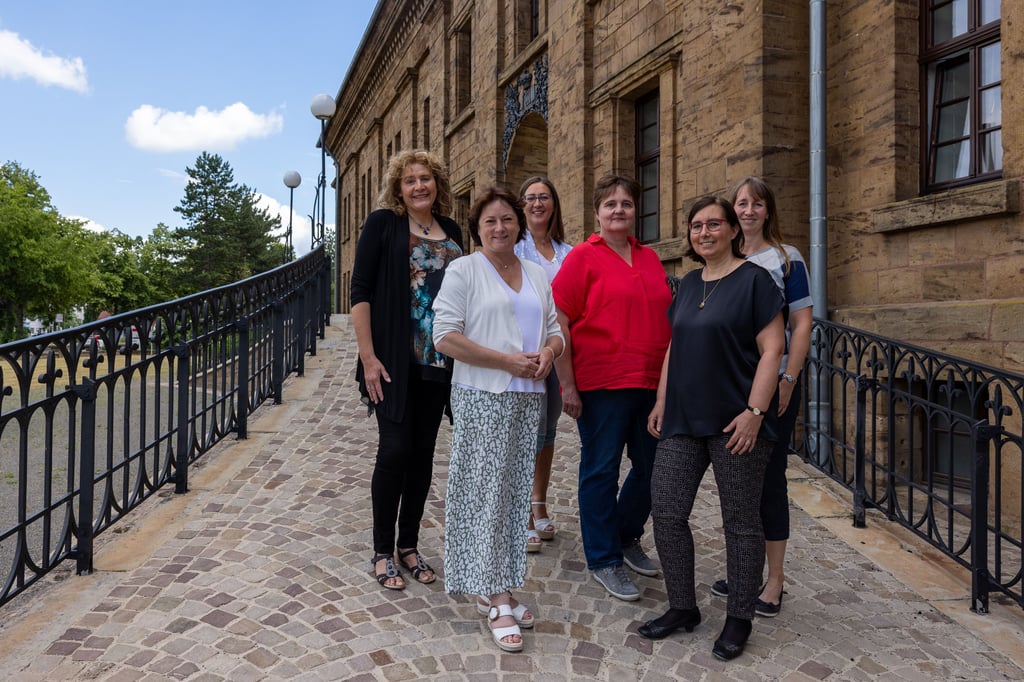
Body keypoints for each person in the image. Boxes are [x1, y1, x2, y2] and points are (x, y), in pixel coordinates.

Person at [641, 196, 785, 661]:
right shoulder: (686, 284)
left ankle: (739, 617)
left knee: (741, 523)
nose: (705, 232)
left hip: (735, 422)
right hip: (683, 418)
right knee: (665, 511)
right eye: (696, 225)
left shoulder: (755, 281)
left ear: (732, 230)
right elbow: (673, 347)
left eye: (714, 224)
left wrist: (755, 412)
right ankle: (683, 606)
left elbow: (772, 349)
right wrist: (663, 399)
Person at [433, 186, 564, 653]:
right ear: (477, 228)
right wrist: (505, 361)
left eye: (508, 219)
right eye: (490, 221)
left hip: (528, 396)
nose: (500, 227)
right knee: (483, 493)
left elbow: (554, 330)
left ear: (519, 224)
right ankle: (497, 599)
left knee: (512, 497)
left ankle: (501, 582)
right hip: (483, 395)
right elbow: (444, 337)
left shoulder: (533, 272)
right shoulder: (464, 270)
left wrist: (549, 353)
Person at [551, 173, 671, 601]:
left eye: (625, 203)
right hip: (602, 384)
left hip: (651, 383)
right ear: (597, 213)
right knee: (601, 471)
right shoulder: (583, 257)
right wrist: (567, 385)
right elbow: (558, 321)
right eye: (610, 204)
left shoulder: (651, 259)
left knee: (654, 469)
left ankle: (624, 534)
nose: (618, 210)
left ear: (635, 209)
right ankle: (604, 559)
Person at [350, 149, 464, 592]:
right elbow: (360, 291)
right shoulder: (383, 224)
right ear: (399, 188)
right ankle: (381, 550)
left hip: (439, 361)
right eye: (410, 180)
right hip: (395, 361)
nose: (419, 186)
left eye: (426, 178)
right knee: (394, 450)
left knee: (421, 458)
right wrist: (369, 357)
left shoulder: (451, 230)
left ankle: (409, 545)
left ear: (437, 184)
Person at [708, 177, 814, 617]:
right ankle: (743, 569)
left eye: (756, 203)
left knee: (768, 479)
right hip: (732, 381)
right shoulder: (726, 260)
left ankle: (774, 579)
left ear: (768, 210)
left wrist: (789, 377)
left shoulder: (787, 259)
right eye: (741, 203)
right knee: (737, 482)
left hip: (773, 383)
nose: (748, 210)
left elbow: (802, 324)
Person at [514, 176, 573, 553]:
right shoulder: (515, 249)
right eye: (530, 198)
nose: (537, 204)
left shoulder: (568, 252)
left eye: (544, 197)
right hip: (526, 354)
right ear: (522, 206)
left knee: (548, 431)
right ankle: (520, 514)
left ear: (553, 204)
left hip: (560, 352)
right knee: (525, 432)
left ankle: (539, 501)